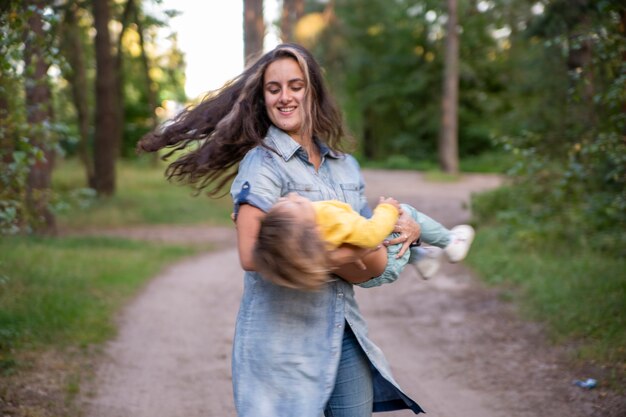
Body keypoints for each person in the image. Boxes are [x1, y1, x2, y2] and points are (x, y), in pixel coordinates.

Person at [138, 43, 425, 417]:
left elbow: (374, 256)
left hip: (344, 334)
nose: (285, 97)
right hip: (280, 343)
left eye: (296, 86)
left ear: (313, 92)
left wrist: (409, 229)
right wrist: (357, 250)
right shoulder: (263, 165)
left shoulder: (345, 167)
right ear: (263, 99)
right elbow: (251, 255)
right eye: (274, 89)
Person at [253, 193, 475, 291]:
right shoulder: (328, 222)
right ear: (312, 228)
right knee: (404, 212)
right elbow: (371, 235)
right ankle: (451, 242)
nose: (292, 195)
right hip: (387, 262)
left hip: (368, 276)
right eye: (297, 204)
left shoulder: (306, 246)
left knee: (383, 230)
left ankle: (423, 258)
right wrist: (387, 208)